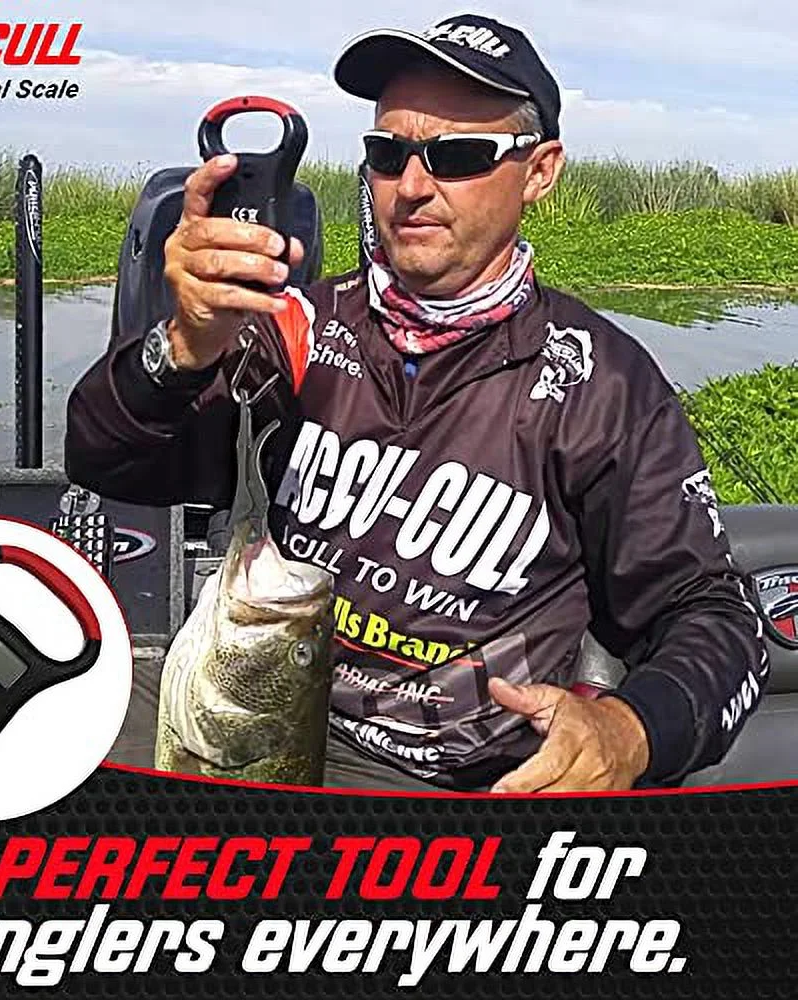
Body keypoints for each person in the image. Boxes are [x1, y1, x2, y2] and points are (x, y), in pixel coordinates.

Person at [65, 13, 770, 793]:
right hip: (254, 693)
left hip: (444, 779)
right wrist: (181, 346)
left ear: (540, 172)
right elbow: (104, 462)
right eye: (387, 152)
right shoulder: (296, 328)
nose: (411, 187)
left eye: (458, 156)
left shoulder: (604, 386)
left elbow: (717, 617)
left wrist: (628, 731)